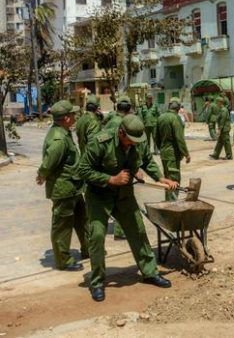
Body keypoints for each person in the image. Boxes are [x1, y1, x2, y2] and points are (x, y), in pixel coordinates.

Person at [79, 115, 178, 302]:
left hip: (124, 195)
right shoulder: (101, 142)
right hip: (99, 196)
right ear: (121, 133)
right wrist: (110, 179)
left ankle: (150, 272)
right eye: (130, 140)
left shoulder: (137, 141)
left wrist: (160, 178)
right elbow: (83, 169)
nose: (134, 144)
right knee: (97, 236)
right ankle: (98, 282)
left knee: (138, 231)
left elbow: (147, 160)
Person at [37, 100, 88, 271]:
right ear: (66, 118)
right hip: (63, 189)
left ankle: (88, 250)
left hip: (73, 187)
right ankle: (63, 261)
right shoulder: (59, 138)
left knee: (83, 220)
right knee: (62, 226)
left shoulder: (64, 132)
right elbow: (49, 162)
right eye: (73, 114)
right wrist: (42, 175)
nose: (75, 116)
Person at [103, 95, 133, 239]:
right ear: (129, 109)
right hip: (120, 166)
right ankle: (120, 231)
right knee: (123, 199)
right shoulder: (125, 123)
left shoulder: (109, 122)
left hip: (107, 165)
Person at [155, 97, 191, 201]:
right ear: (179, 108)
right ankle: (172, 203)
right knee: (174, 180)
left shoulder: (161, 117)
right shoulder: (176, 118)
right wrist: (186, 154)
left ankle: (168, 201)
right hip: (173, 155)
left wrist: (161, 148)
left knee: (167, 180)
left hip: (164, 154)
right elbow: (179, 138)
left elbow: (156, 136)